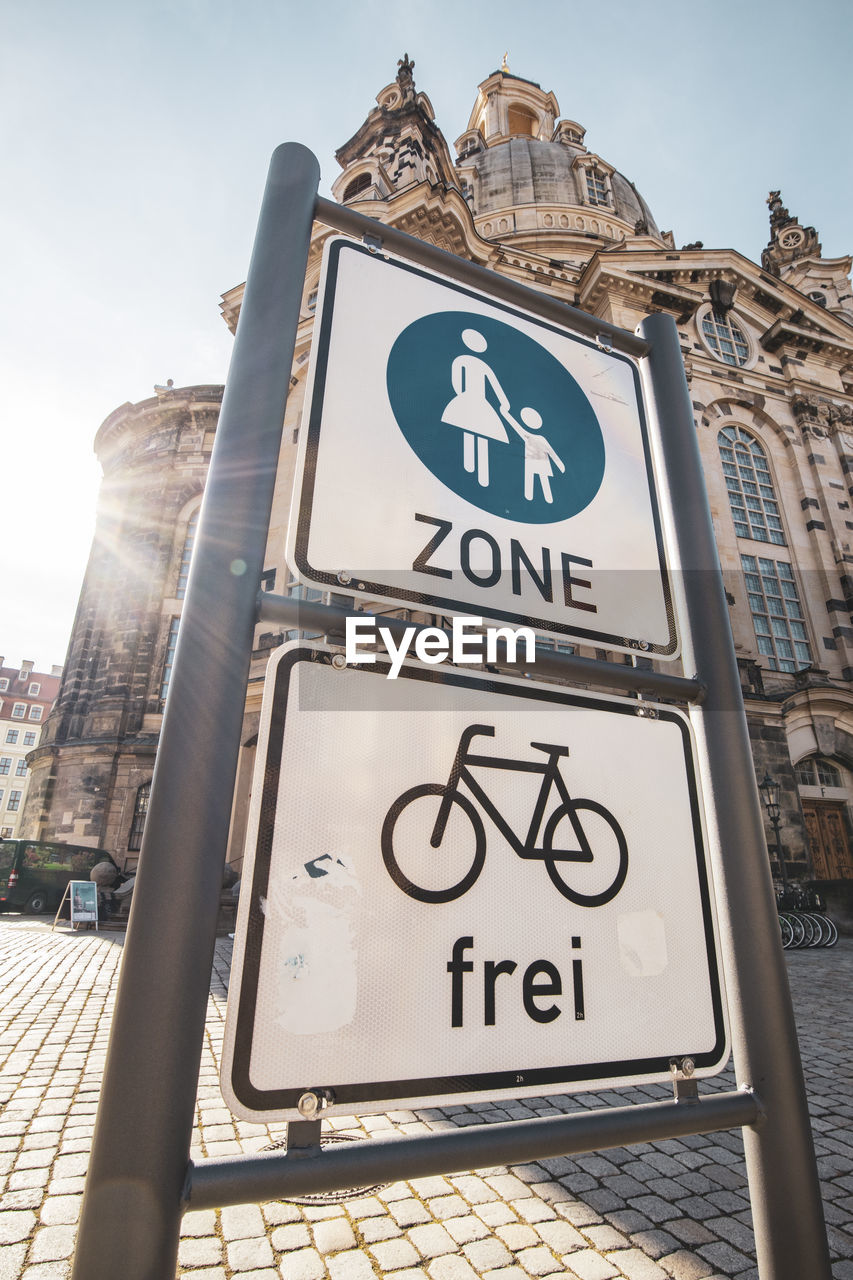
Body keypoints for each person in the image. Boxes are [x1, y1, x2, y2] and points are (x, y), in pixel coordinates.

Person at [441, 329, 512, 487]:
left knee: (482, 434)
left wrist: (503, 402)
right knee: (469, 430)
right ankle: (469, 470)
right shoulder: (462, 360)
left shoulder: (478, 364)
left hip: (477, 401)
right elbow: (457, 380)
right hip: (470, 400)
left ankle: (482, 477)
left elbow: (494, 385)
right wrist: (463, 396)